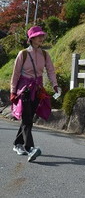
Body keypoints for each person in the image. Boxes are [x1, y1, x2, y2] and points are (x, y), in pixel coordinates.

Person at [10, 26, 58, 162]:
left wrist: (55, 85)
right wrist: (13, 91)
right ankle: (30, 148)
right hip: (24, 89)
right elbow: (16, 74)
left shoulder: (44, 54)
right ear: (31, 39)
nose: (41, 38)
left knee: (29, 117)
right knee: (27, 119)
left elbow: (50, 71)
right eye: (38, 36)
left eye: (42, 36)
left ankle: (17, 144)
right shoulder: (23, 54)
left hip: (37, 90)